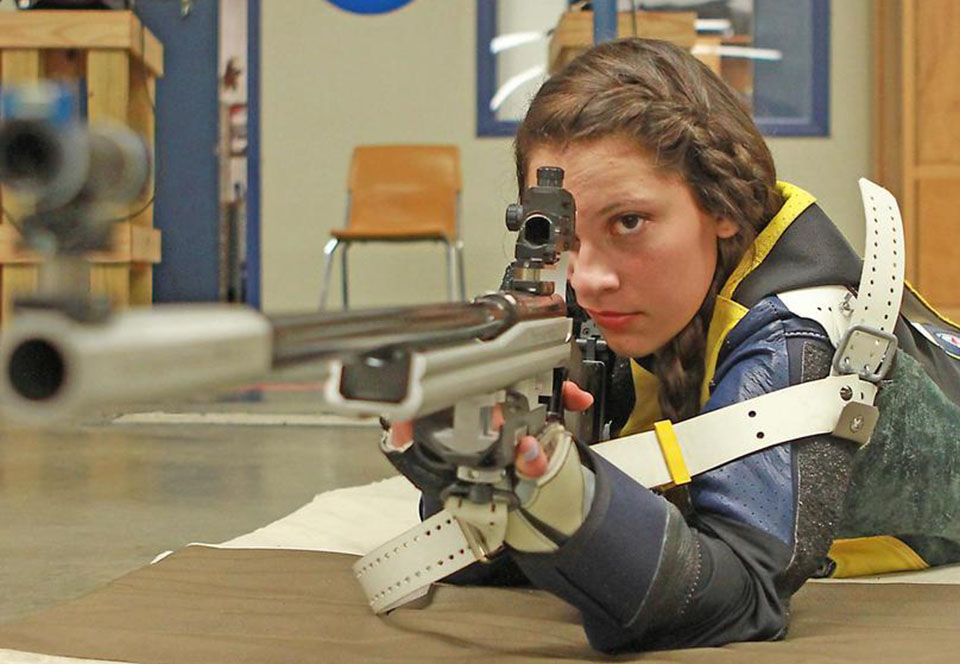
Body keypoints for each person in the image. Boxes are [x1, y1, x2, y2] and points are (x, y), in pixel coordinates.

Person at [386, 38, 960, 653]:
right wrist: (459, 453)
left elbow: (742, 594)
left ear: (723, 206)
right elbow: (484, 558)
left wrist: (567, 499)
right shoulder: (570, 293)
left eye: (629, 222)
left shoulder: (794, 332)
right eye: (563, 233)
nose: (590, 277)